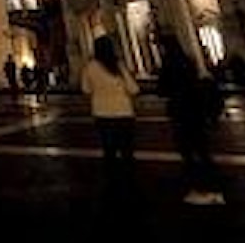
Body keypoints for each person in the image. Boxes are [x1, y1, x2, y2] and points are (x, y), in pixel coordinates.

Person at [156, 35, 225, 205]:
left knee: (186, 150)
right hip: (195, 108)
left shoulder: (168, 63)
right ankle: (214, 184)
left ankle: (197, 187)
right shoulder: (188, 60)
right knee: (202, 147)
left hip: (180, 109)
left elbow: (162, 88)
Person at [81, 35, 139, 192]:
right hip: (124, 113)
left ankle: (112, 183)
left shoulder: (90, 67)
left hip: (102, 114)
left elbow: (86, 90)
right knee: (127, 151)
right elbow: (134, 89)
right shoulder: (118, 65)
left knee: (109, 151)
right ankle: (131, 182)